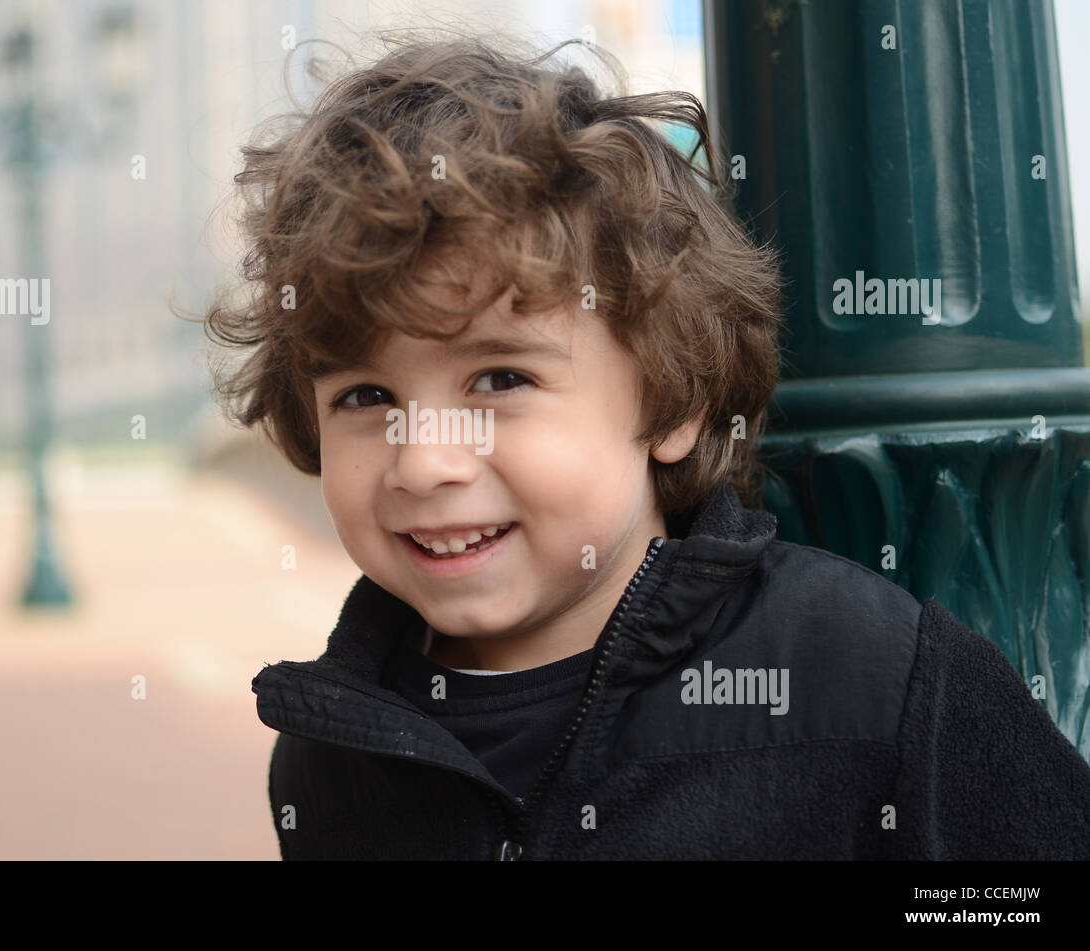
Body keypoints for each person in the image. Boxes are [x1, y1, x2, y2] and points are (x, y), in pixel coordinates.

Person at [206, 32, 1090, 859]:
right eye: (366, 396)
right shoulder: (328, 755)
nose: (424, 460)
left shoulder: (872, 679)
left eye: (501, 380)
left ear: (673, 401)